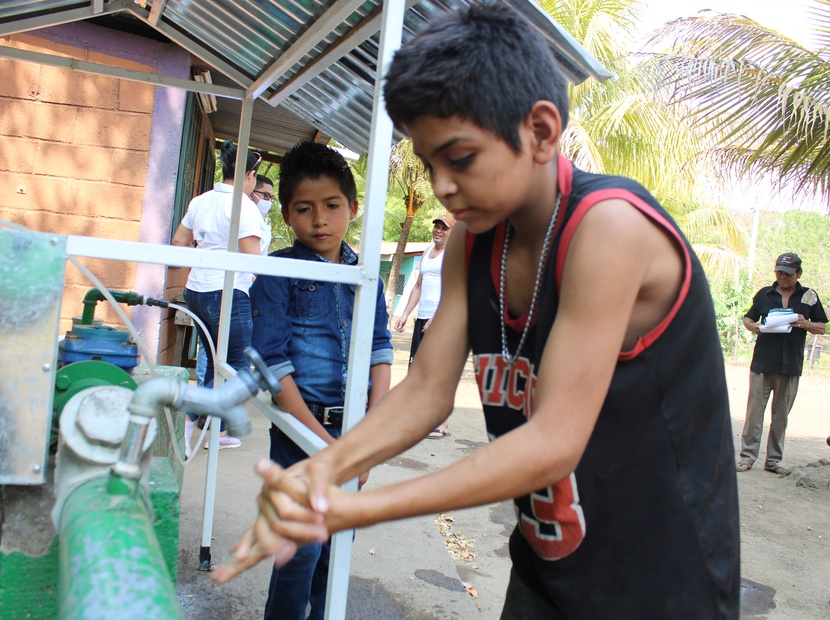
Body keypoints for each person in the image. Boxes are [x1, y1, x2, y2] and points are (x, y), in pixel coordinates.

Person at [212, 5, 740, 618]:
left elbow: (552, 443)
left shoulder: (608, 229)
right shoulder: (473, 237)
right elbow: (429, 389)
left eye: (459, 159)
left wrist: (357, 506)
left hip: (660, 584)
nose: (441, 186)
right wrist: (320, 471)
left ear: (541, 132)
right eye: (429, 164)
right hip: (548, 564)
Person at [248, 140, 393, 620]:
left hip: (351, 430)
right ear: (286, 215)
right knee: (300, 550)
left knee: (336, 544)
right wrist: (322, 443)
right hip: (298, 434)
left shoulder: (365, 273)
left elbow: (378, 348)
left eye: (332, 206)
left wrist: (368, 436)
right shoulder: (277, 273)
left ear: (352, 207)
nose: (319, 220)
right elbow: (273, 362)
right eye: (304, 209)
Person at [173, 140, 262, 454]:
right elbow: (253, 257)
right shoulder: (244, 206)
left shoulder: (201, 201)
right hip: (228, 293)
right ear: (250, 174)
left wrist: (201, 266)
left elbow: (180, 240)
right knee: (237, 369)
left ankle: (214, 433)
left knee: (213, 364)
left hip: (196, 291)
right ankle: (187, 418)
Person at [737, 252, 827, 475]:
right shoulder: (764, 295)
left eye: (787, 273)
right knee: (754, 413)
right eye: (779, 272)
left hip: (791, 365)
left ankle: (773, 461)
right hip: (763, 363)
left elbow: (822, 327)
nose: (782, 277)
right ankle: (747, 457)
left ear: (799, 274)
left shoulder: (809, 297)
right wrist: (753, 327)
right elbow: (748, 318)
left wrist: (805, 323)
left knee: (781, 416)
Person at [392, 213, 454, 438]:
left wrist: (436, 318)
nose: (438, 230)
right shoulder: (428, 253)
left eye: (444, 228)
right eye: (436, 226)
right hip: (422, 319)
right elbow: (418, 286)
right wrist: (405, 314)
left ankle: (442, 423)